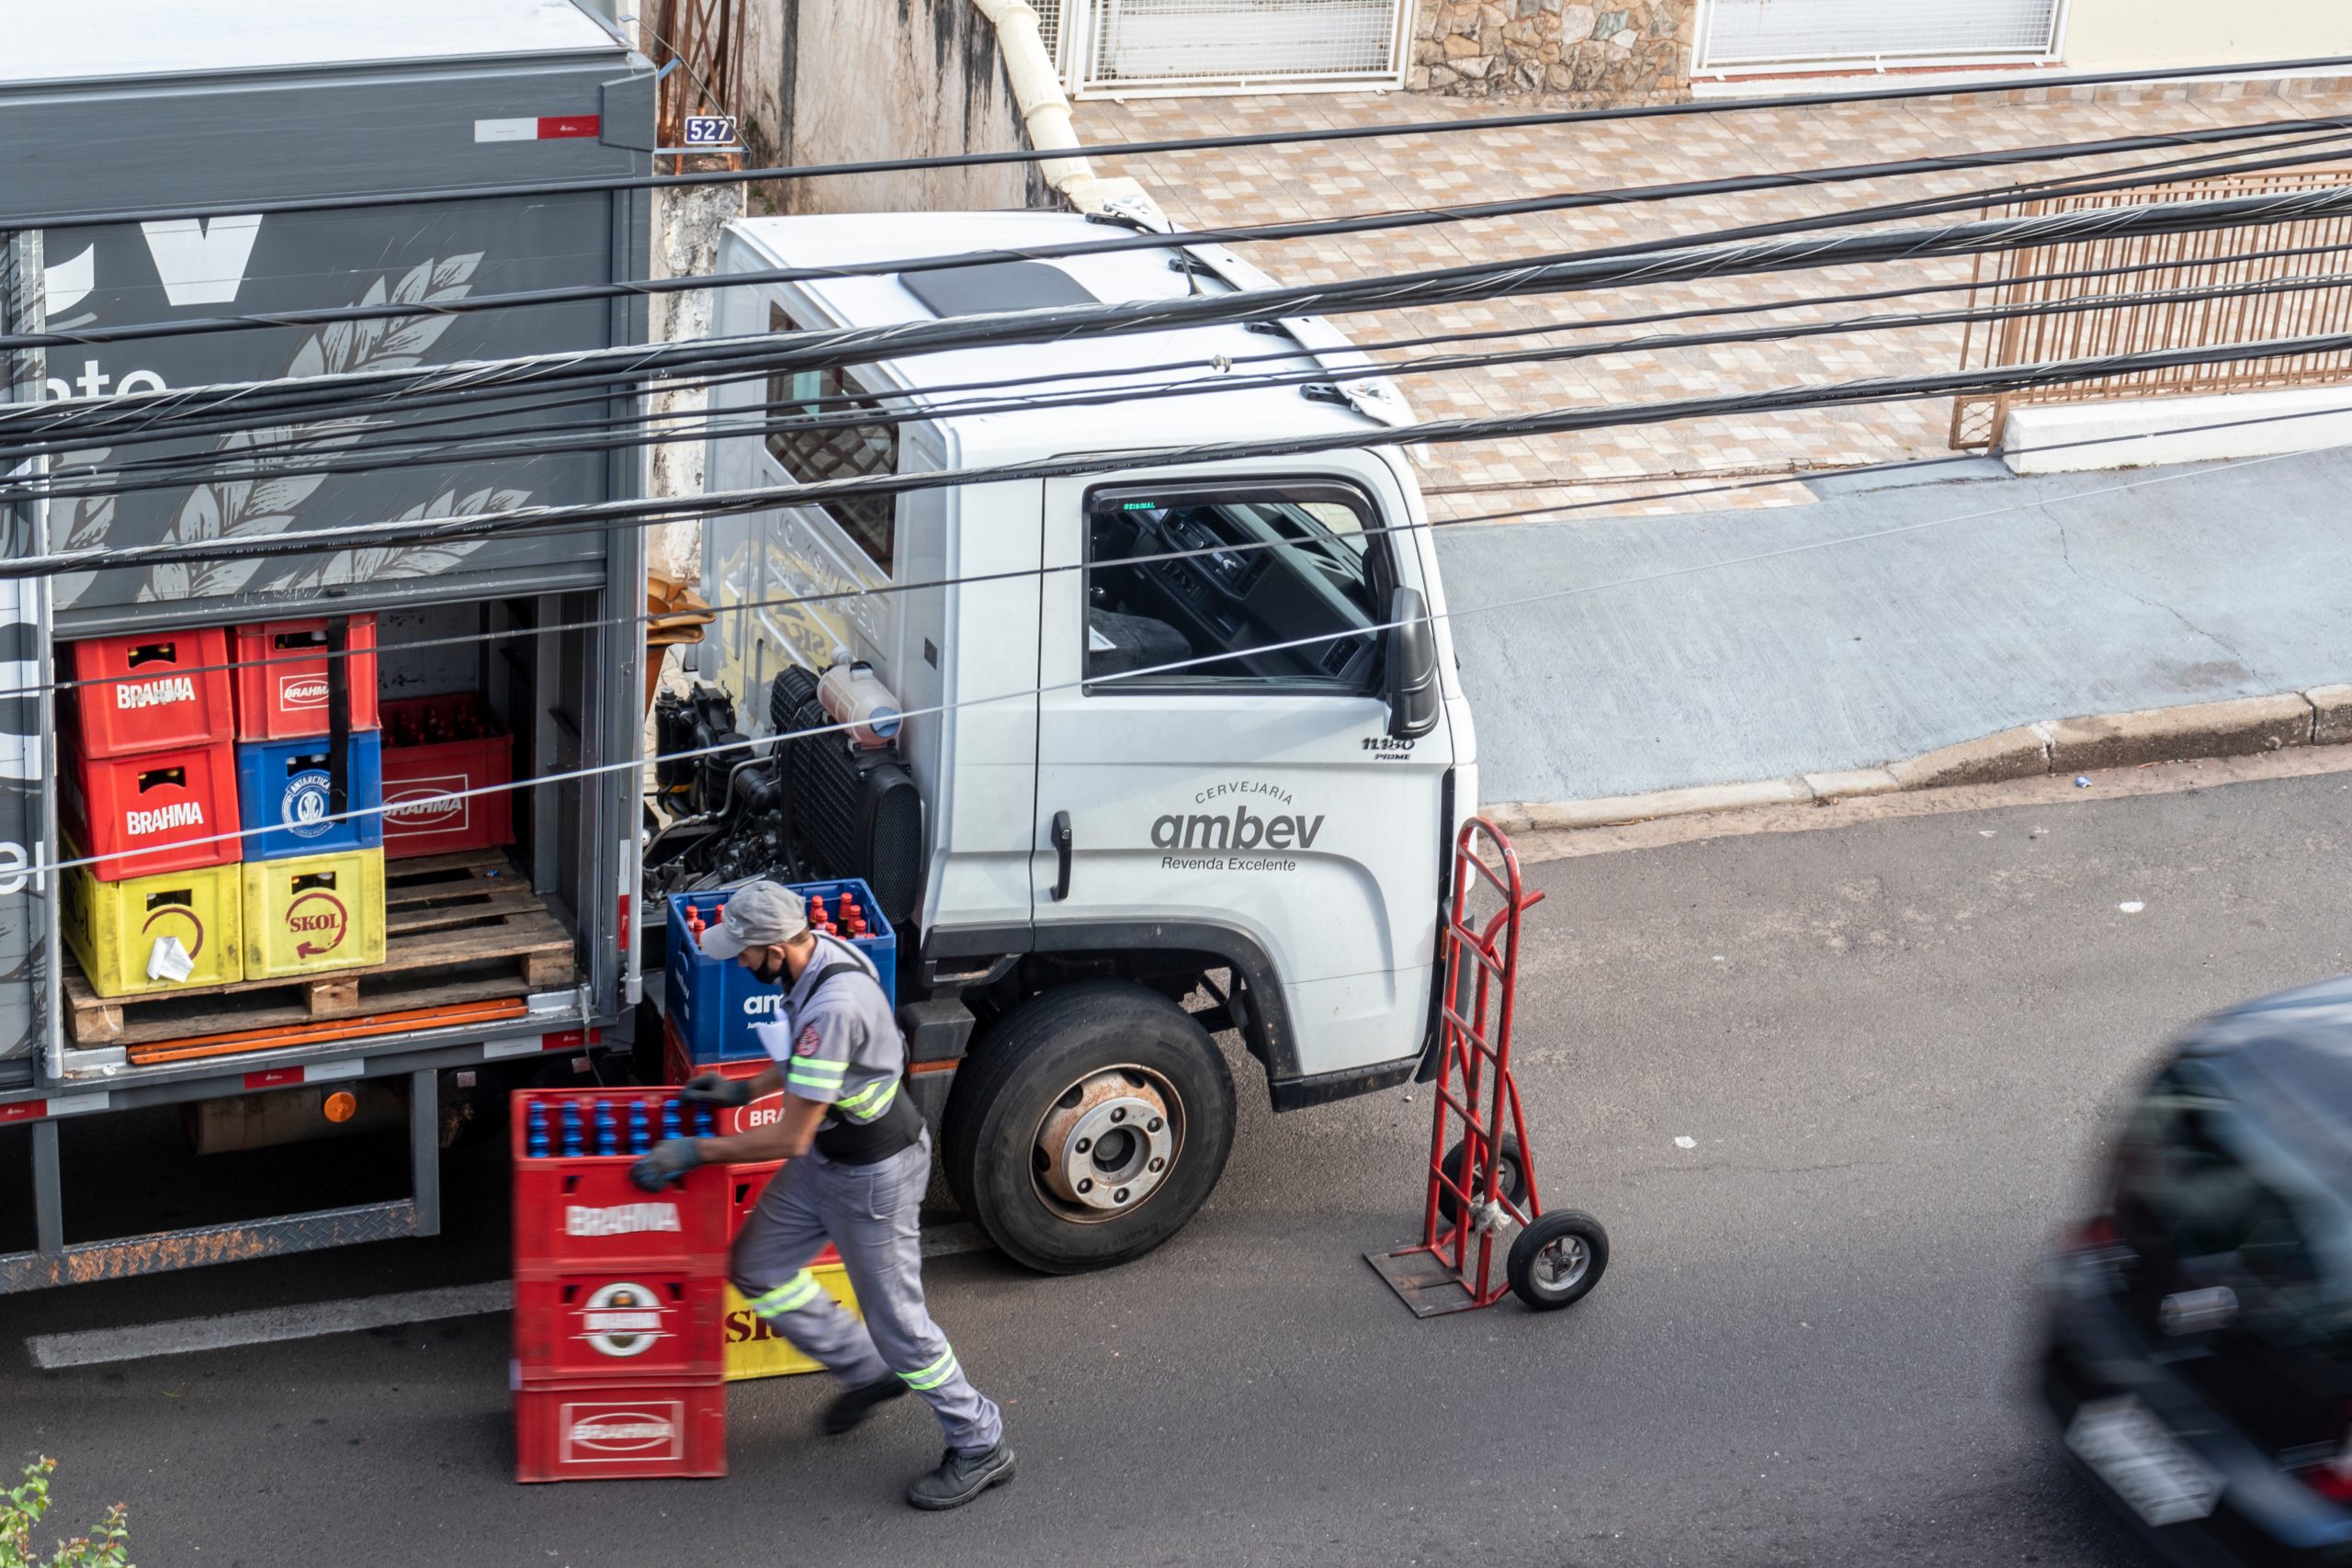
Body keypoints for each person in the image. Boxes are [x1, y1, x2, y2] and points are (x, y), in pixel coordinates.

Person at [630, 879, 1014, 1510]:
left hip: (872, 1174)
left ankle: (980, 1439)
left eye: (745, 952)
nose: (739, 962)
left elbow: (789, 1131)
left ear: (776, 946)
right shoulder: (819, 957)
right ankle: (865, 1369)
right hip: (831, 1153)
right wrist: (744, 1090)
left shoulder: (832, 1003)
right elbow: (811, 1062)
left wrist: (694, 1153)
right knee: (757, 1265)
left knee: (901, 1326)